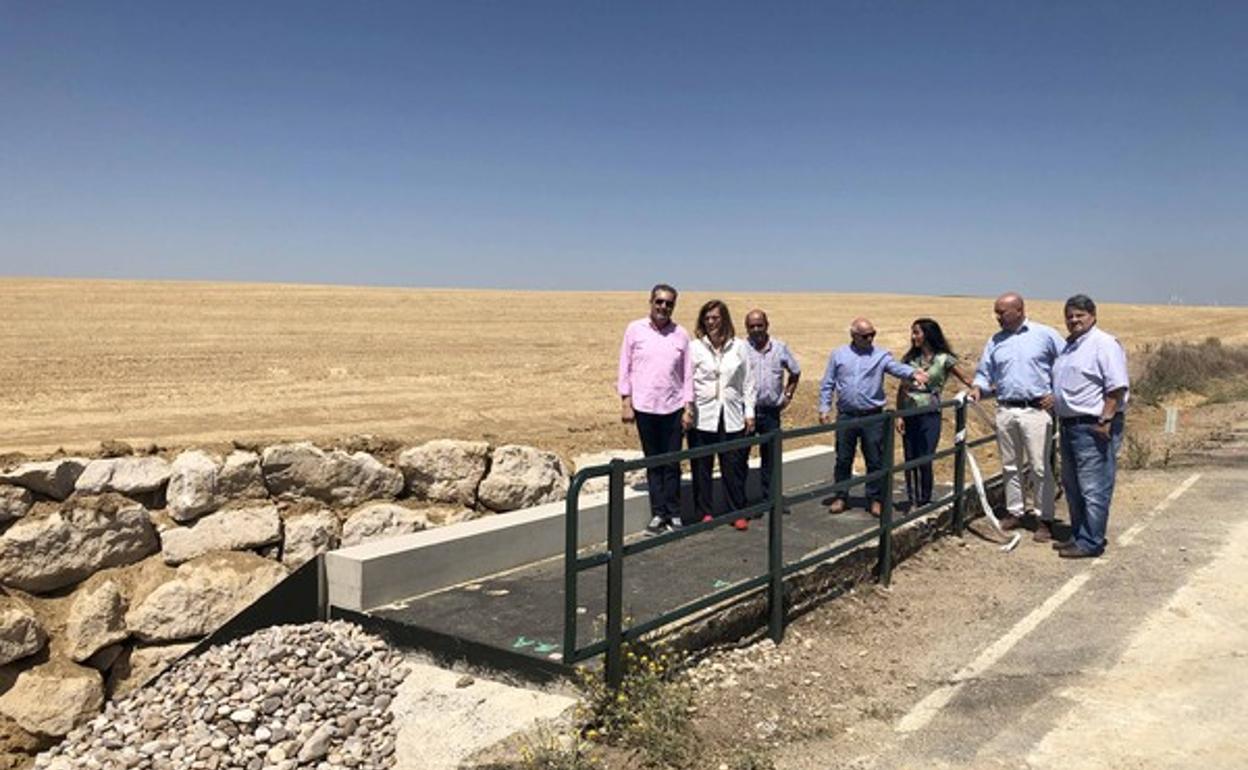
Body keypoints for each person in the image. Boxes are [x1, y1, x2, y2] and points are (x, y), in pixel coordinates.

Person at [969, 292, 1065, 542]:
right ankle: (1016, 511)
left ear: (1019, 310)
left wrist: (1056, 394)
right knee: (1010, 465)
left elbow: (1067, 365)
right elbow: (984, 370)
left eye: (1002, 312)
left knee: (1040, 466)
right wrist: (978, 387)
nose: (997, 317)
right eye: (996, 312)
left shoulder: (1045, 335)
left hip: (1036, 410)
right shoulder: (996, 341)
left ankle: (1044, 518)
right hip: (1005, 409)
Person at [819, 317, 928, 515]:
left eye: (872, 334)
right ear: (853, 335)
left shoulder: (880, 355)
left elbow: (895, 368)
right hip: (846, 416)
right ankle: (841, 496)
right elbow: (828, 383)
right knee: (843, 458)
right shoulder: (839, 355)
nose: (870, 339)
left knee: (874, 459)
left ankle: (875, 498)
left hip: (872, 417)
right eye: (865, 336)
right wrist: (824, 407)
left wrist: (913, 373)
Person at [1051, 294, 1128, 559]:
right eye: (1070, 316)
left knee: (1094, 487)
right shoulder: (1070, 346)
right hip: (1069, 424)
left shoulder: (1103, 344)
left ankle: (1091, 541)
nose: (1074, 320)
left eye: (1079, 315)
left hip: (1093, 425)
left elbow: (1116, 386)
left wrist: (1106, 419)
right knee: (1073, 486)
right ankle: (1079, 534)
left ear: (1093, 316)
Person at [618, 284, 694, 536]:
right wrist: (626, 401)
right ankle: (658, 513)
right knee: (653, 463)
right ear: (651, 302)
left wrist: (687, 407)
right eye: (659, 302)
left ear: (674, 306)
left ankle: (673, 513)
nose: (663, 307)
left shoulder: (681, 334)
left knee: (672, 463)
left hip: (673, 408)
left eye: (668, 303)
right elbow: (625, 366)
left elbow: (687, 375)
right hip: (645, 407)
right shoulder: (634, 330)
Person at [689, 300, 757, 531]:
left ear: (724, 319)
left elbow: (748, 382)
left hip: (732, 415)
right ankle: (704, 513)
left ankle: (737, 511)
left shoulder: (739, 347)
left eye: (715, 318)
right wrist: (687, 409)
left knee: (734, 466)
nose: (711, 322)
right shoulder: (695, 347)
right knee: (701, 467)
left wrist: (749, 412)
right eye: (707, 318)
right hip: (702, 416)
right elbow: (687, 381)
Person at [895, 318, 973, 508]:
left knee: (926, 456)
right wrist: (899, 415)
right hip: (909, 410)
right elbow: (901, 388)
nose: (913, 337)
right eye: (912, 333)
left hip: (930, 411)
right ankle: (911, 497)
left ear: (928, 334)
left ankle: (925, 497)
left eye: (917, 332)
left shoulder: (944, 359)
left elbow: (966, 378)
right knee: (910, 457)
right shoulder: (909, 360)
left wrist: (979, 390)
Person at [744, 309, 801, 506]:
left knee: (771, 459)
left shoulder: (780, 348)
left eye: (760, 325)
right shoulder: (741, 349)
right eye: (752, 326)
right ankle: (741, 503)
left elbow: (795, 372)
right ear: (747, 328)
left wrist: (788, 395)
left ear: (767, 325)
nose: (756, 329)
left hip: (771, 412)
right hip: (747, 413)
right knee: (740, 456)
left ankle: (770, 500)